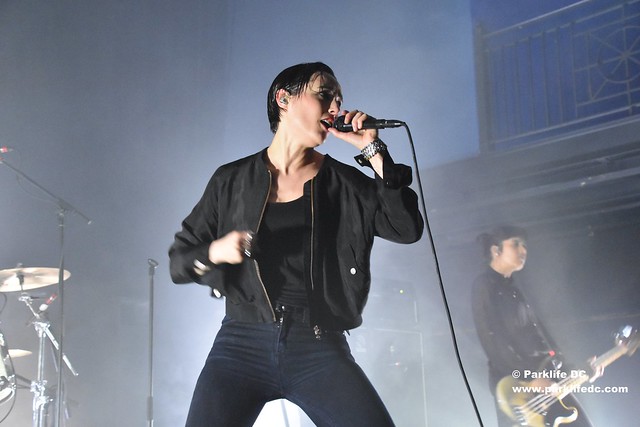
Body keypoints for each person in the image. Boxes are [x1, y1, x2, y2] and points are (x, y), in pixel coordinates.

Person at [168, 62, 423, 427]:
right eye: (325, 95)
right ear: (283, 99)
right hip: (240, 343)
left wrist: (374, 151)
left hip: (318, 344)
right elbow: (179, 262)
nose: (335, 107)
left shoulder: (344, 183)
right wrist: (216, 251)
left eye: (339, 100)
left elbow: (406, 228)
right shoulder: (231, 180)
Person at [471, 225, 598, 427]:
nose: (523, 250)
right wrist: (529, 377)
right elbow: (492, 340)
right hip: (518, 389)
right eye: (515, 244)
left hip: (546, 377)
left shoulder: (515, 289)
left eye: (524, 245)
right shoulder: (484, 286)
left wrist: (572, 370)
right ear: (496, 250)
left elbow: (540, 339)